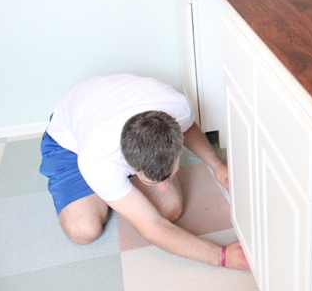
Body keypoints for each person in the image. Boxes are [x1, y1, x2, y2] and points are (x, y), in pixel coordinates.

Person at [39, 74, 249, 270]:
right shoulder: (98, 159)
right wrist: (221, 256)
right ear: (128, 162)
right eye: (153, 180)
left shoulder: (178, 108)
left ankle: (117, 193)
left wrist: (217, 165)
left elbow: (188, 127)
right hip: (69, 143)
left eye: (170, 176)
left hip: (113, 105)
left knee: (170, 210)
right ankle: (109, 193)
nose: (163, 186)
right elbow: (153, 226)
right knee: (84, 231)